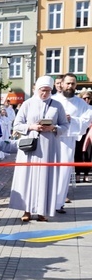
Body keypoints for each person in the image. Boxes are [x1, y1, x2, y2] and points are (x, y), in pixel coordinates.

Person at [9, 75, 69, 222]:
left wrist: (53, 127)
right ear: (37, 89)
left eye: (48, 90)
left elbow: (65, 126)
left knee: (45, 178)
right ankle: (27, 210)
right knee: (27, 178)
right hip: (30, 146)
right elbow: (16, 124)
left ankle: (43, 211)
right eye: (43, 90)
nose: (45, 93)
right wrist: (32, 126)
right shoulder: (27, 104)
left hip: (48, 147)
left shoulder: (57, 105)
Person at [52, 73, 92, 213]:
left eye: (73, 84)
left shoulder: (81, 103)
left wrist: (72, 119)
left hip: (68, 140)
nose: (70, 86)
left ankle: (59, 202)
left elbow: (87, 119)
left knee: (64, 171)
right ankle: (45, 202)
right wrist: (60, 119)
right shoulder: (52, 100)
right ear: (61, 84)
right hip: (52, 139)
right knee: (49, 170)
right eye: (68, 83)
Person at [75, 90, 92, 182]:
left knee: (88, 154)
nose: (86, 100)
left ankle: (86, 174)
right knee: (78, 154)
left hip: (89, 133)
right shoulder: (78, 109)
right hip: (79, 133)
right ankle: (77, 174)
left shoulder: (91, 108)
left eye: (88, 98)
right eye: (84, 98)